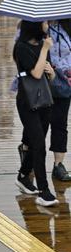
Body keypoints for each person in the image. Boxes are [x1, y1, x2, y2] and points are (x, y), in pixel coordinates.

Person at [13, 20, 57, 205]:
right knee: (39, 144)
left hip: (45, 100)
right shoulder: (21, 47)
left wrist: (51, 70)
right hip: (28, 102)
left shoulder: (41, 44)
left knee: (35, 141)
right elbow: (36, 74)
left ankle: (23, 175)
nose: (47, 25)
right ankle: (43, 191)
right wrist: (46, 50)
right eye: (45, 22)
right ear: (35, 26)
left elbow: (48, 76)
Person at [47, 20, 71, 183]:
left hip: (65, 83)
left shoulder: (67, 26)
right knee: (37, 127)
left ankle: (58, 164)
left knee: (60, 123)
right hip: (41, 81)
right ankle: (28, 160)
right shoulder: (33, 25)